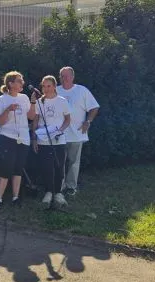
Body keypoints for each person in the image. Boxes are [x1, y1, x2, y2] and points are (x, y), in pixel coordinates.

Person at [0, 71, 36, 207]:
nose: (22, 82)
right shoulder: (2, 99)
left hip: (23, 137)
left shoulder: (24, 98)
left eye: (21, 80)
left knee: (18, 168)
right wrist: (8, 109)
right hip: (7, 136)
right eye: (19, 80)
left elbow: (31, 117)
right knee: (6, 167)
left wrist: (33, 101)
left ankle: (15, 197)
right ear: (10, 84)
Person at [57, 66, 100, 196]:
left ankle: (71, 187)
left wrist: (88, 121)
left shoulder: (82, 91)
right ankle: (59, 186)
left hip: (76, 133)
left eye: (67, 76)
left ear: (72, 76)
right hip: (59, 134)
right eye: (62, 76)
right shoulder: (55, 91)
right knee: (59, 162)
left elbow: (94, 107)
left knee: (73, 162)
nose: (64, 79)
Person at [31, 75, 71, 206]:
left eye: (49, 86)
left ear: (54, 86)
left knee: (59, 166)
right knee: (46, 167)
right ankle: (48, 192)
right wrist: (35, 139)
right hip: (44, 140)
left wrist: (60, 131)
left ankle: (58, 193)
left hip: (59, 140)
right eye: (44, 86)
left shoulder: (62, 101)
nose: (46, 89)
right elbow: (35, 121)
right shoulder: (39, 102)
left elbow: (67, 119)